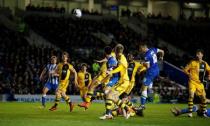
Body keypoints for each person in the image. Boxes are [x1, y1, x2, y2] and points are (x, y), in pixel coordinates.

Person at [100, 44, 132, 120]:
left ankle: (110, 113)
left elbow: (121, 67)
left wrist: (112, 72)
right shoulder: (119, 57)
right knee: (110, 96)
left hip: (124, 82)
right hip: (120, 81)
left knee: (109, 95)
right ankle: (111, 114)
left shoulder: (122, 58)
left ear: (116, 51)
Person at [183, 49, 210, 117]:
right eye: (197, 54)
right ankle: (190, 112)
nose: (198, 55)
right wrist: (189, 74)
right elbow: (185, 70)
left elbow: (209, 70)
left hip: (200, 83)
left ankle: (203, 113)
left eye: (199, 54)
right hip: (192, 82)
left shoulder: (205, 63)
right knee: (191, 95)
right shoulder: (192, 62)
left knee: (203, 98)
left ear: (202, 55)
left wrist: (209, 76)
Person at [138, 41, 164, 111]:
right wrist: (161, 57)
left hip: (151, 72)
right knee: (148, 87)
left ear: (144, 47)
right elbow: (162, 51)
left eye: (140, 48)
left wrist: (141, 63)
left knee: (144, 87)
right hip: (157, 70)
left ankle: (142, 105)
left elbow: (148, 66)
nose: (140, 49)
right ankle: (152, 96)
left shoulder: (147, 55)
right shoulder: (153, 49)